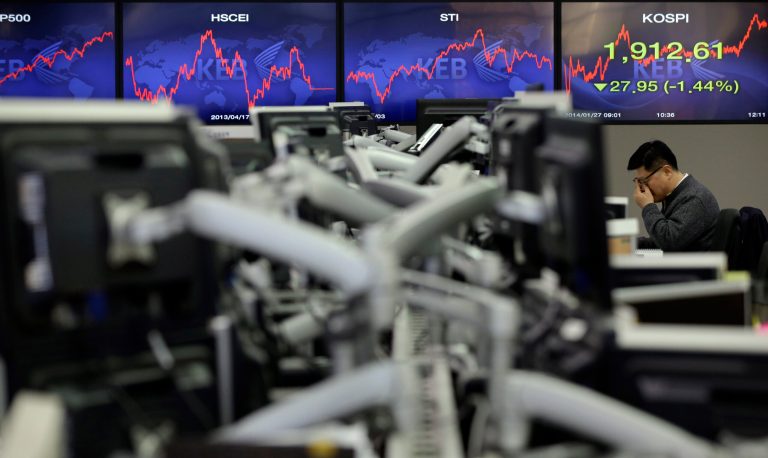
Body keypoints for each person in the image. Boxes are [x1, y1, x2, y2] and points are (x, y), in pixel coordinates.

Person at [627, 140, 719, 251]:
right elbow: (660, 240)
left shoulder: (694, 198)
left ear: (667, 172)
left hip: (693, 267)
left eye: (644, 181)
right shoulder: (677, 195)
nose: (642, 188)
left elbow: (668, 241)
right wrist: (628, 244)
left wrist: (648, 206)